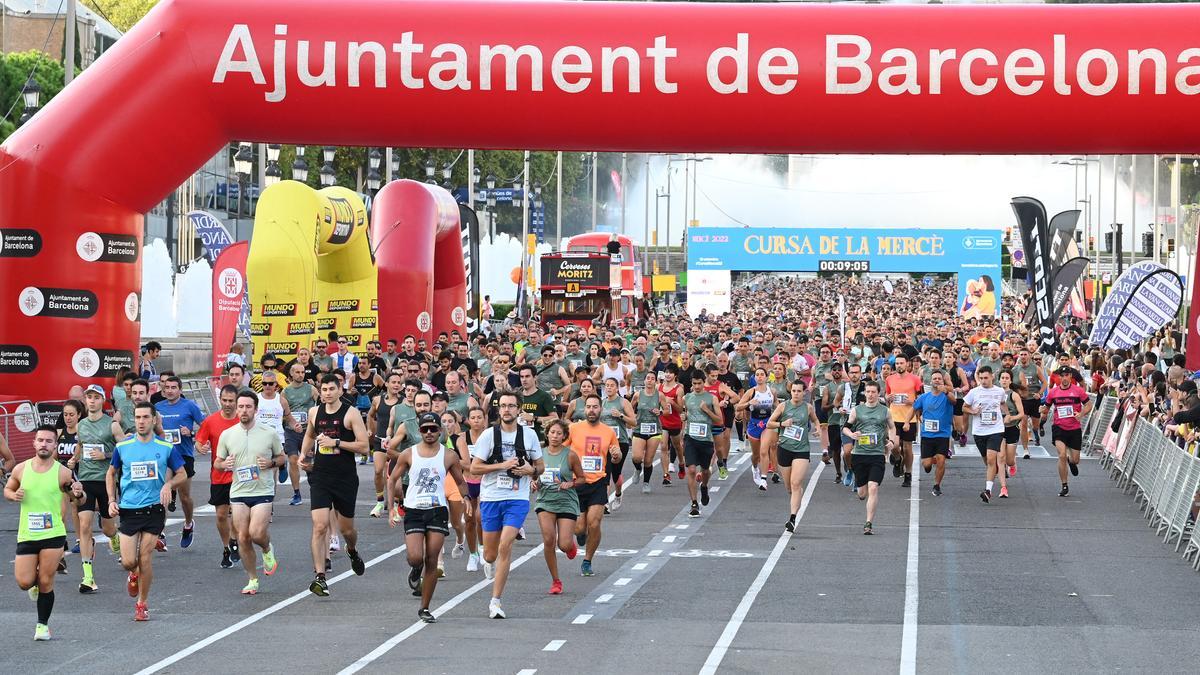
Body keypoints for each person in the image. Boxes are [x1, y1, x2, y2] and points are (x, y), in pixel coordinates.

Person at [106, 402, 187, 621]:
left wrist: (168, 485)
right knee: (129, 562)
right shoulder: (123, 446)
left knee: (145, 557)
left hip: (154, 509)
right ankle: (133, 574)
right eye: (138, 417)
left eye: (145, 417)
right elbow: (111, 472)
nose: (141, 421)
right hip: (130, 509)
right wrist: (112, 500)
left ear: (154, 420)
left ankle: (142, 603)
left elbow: (182, 473)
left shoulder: (166, 447)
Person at [389, 412, 471, 622]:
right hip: (414, 510)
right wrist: (391, 508)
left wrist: (467, 499)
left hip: (437, 510)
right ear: (419, 431)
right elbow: (392, 479)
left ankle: (425, 607)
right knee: (415, 557)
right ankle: (416, 570)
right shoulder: (408, 453)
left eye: (433, 429)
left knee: (432, 559)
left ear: (439, 431)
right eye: (424, 429)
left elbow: (460, 481)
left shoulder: (449, 455)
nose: (429, 433)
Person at [5, 425, 85, 640]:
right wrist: (13, 495)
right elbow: (8, 489)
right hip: (27, 533)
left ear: (55, 445)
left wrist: (78, 493)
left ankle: (42, 625)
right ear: (34, 443)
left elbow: (78, 497)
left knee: (46, 580)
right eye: (40, 440)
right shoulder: (22, 469)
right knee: (24, 582)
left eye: (49, 441)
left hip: (53, 534)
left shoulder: (63, 472)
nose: (44, 444)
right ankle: (33, 585)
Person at [470, 391, 544, 618]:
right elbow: (475, 468)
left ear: (519, 409)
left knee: (505, 546)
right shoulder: (488, 436)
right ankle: (488, 561)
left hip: (517, 498)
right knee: (491, 554)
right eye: (503, 406)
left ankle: (495, 602)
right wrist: (502, 465)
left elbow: (539, 466)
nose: (507, 410)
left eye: (511, 406)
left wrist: (531, 471)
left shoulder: (529, 435)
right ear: (498, 409)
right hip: (492, 497)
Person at [300, 375, 370, 596]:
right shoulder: (315, 412)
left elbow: (364, 447)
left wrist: (336, 442)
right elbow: (310, 434)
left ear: (340, 390)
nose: (327, 392)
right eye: (324, 389)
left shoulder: (351, 414)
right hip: (321, 476)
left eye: (332, 389)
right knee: (319, 526)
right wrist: (303, 454)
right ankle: (320, 577)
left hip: (345, 478)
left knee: (347, 529)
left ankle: (352, 550)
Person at [217, 391, 285, 596]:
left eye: (248, 407)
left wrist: (271, 463)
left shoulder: (269, 432)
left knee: (256, 533)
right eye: (241, 406)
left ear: (256, 409)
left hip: (262, 490)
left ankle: (266, 549)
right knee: (243, 537)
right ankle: (252, 579)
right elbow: (217, 463)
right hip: (238, 492)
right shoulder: (228, 434)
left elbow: (281, 457)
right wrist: (224, 464)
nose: (244, 410)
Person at [74, 385, 121, 593]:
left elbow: (124, 448)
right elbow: (81, 445)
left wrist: (107, 455)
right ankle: (88, 576)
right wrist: (75, 459)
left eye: (95, 397)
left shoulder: (111, 425)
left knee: (107, 528)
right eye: (88, 397)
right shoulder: (81, 424)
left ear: (102, 401)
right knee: (84, 525)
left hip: (105, 480)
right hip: (85, 480)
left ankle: (115, 538)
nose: (91, 401)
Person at [567, 394, 620, 576]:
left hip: (598, 482)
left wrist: (615, 455)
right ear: (584, 409)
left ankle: (587, 560)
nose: (591, 410)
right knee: (580, 527)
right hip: (577, 482)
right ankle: (580, 534)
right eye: (588, 407)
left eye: (595, 407)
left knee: (595, 523)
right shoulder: (574, 429)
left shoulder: (608, 431)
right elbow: (562, 450)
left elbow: (617, 453)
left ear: (601, 409)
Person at [194, 385, 242, 569]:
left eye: (231, 401)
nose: (228, 404)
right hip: (219, 474)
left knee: (237, 514)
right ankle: (226, 547)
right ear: (220, 400)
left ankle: (234, 539)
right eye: (225, 400)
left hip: (241, 476)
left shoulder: (242, 420)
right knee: (221, 515)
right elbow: (199, 442)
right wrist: (201, 448)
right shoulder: (211, 421)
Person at [155, 375, 205, 548]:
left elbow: (205, 426)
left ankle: (189, 523)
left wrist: (190, 433)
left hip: (183, 455)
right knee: (163, 492)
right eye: (167, 387)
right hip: (163, 456)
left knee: (184, 496)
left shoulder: (189, 405)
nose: (169, 390)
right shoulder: (157, 407)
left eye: (173, 387)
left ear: (180, 390)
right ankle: (160, 533)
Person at [534, 419, 582, 595]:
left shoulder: (570, 455)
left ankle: (570, 546)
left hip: (566, 501)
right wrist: (534, 483)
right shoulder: (539, 454)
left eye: (559, 433)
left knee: (563, 544)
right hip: (545, 501)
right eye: (552, 432)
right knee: (548, 540)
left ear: (564, 436)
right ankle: (556, 580)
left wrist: (571, 484)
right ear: (547, 433)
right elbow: (534, 476)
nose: (555, 436)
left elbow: (582, 478)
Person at [767, 380, 821, 532]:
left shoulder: (808, 407)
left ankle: (792, 518)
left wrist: (817, 429)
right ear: (791, 392)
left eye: (799, 391)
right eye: (794, 391)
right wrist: (782, 424)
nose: (796, 394)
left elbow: (815, 420)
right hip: (784, 448)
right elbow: (769, 424)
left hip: (801, 449)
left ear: (804, 393)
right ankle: (795, 497)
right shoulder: (783, 406)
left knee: (796, 483)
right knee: (789, 487)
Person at [845, 382, 898, 535]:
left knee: (873, 488)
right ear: (865, 393)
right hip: (859, 454)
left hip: (877, 454)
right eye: (868, 392)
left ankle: (868, 523)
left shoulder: (885, 411)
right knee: (862, 493)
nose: (870, 394)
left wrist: (892, 442)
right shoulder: (857, 410)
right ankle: (859, 486)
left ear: (878, 393)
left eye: (873, 392)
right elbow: (846, 427)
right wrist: (852, 435)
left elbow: (892, 427)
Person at [1042, 367, 1092, 498]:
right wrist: (1042, 413)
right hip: (1059, 427)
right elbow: (1046, 408)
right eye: (1061, 376)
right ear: (1059, 377)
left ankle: (1071, 461)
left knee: (1075, 460)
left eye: (1066, 375)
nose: (1064, 378)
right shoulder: (1053, 392)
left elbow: (1088, 405)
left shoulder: (1078, 391)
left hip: (1074, 428)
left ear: (1071, 376)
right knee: (1062, 455)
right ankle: (1064, 485)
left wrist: (1081, 413)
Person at [962, 366, 1009, 504]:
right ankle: (994, 471)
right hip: (979, 431)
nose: (983, 381)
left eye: (986, 378)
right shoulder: (974, 392)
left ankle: (988, 491)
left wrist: (1008, 415)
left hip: (995, 430)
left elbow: (1002, 404)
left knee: (990, 459)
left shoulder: (999, 391)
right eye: (981, 378)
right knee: (988, 462)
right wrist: (973, 411)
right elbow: (964, 407)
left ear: (992, 377)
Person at [682, 370, 721, 518]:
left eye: (699, 383)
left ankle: (704, 486)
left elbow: (719, 421)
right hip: (690, 437)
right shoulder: (687, 398)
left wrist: (707, 411)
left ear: (703, 382)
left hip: (706, 439)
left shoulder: (712, 398)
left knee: (705, 470)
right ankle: (694, 503)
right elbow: (685, 415)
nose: (697, 386)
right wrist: (683, 418)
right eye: (694, 384)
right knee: (691, 470)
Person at [911, 371, 955, 496]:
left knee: (941, 460)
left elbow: (954, 401)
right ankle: (928, 466)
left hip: (943, 434)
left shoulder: (947, 395)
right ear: (930, 381)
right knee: (927, 463)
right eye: (934, 378)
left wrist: (946, 391)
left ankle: (937, 485)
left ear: (943, 381)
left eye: (939, 379)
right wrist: (908, 422)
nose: (936, 380)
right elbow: (914, 409)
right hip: (927, 435)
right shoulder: (924, 397)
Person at [282, 363, 319, 505]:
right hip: (291, 431)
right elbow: (283, 412)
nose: (300, 375)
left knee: (307, 464)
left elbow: (321, 403)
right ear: (291, 374)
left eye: (302, 372)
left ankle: (314, 489)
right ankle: (296, 493)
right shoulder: (285, 392)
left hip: (307, 432)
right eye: (297, 372)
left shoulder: (311, 389)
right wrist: (290, 421)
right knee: (292, 460)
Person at [457, 407, 488, 572]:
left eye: (479, 417)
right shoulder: (462, 438)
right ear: (468, 420)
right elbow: (464, 463)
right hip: (467, 482)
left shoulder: (489, 436)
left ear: (484, 419)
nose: (476, 420)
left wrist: (474, 464)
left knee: (480, 517)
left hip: (484, 482)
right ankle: (473, 553)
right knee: (469, 520)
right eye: (473, 417)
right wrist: (475, 463)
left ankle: (483, 547)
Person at [885, 354, 922, 487]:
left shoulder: (915, 379)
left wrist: (912, 402)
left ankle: (908, 474)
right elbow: (886, 394)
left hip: (909, 418)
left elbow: (921, 398)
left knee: (907, 448)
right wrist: (888, 398)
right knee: (894, 446)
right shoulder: (889, 379)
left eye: (901, 363)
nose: (899, 365)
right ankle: (897, 459)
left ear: (907, 364)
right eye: (897, 363)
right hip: (893, 417)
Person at [631, 372, 663, 491]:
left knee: (649, 460)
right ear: (644, 381)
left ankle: (646, 483)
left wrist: (660, 412)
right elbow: (630, 408)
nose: (650, 380)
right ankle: (638, 468)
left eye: (652, 379)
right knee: (637, 457)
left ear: (656, 381)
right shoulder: (638, 395)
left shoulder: (660, 395)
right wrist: (632, 417)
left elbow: (666, 410)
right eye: (648, 378)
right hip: (639, 428)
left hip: (654, 430)